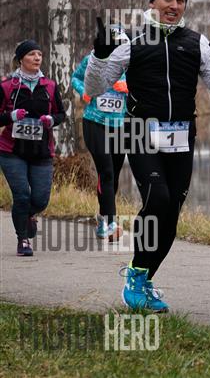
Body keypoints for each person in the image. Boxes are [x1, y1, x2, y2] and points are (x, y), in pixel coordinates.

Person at [85, 0, 210, 312]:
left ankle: (142, 277)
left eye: (180, 0)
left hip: (182, 136)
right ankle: (136, 279)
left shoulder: (196, 43)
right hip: (141, 132)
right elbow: (94, 87)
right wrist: (99, 55)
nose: (174, 5)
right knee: (158, 199)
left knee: (171, 214)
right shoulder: (132, 41)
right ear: (152, 1)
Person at [0, 40, 66, 256]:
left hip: (41, 152)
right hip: (11, 151)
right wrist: (10, 116)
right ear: (21, 59)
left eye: (39, 54)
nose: (37, 58)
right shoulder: (7, 86)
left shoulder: (50, 86)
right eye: (31, 54)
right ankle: (23, 240)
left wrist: (51, 120)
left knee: (39, 200)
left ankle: (27, 215)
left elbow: (61, 114)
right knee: (21, 196)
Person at [71, 26, 129, 241]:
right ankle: (112, 223)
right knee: (106, 171)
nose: (118, 48)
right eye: (115, 44)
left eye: (122, 44)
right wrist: (85, 92)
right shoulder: (93, 59)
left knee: (114, 175)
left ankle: (102, 218)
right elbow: (75, 78)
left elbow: (143, 86)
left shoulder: (129, 63)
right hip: (95, 122)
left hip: (120, 125)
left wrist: (127, 86)